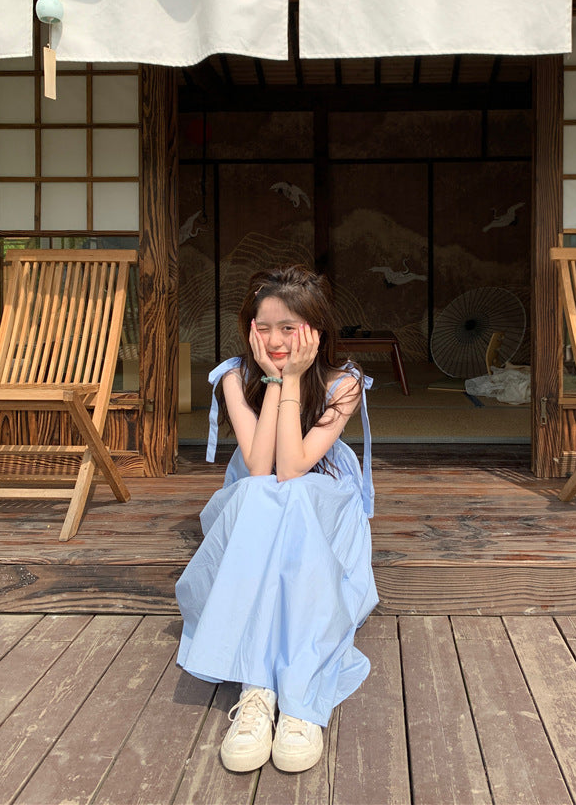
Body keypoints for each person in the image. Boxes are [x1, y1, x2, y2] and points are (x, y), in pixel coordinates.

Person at [176, 265, 378, 774]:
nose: (276, 338)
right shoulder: (232, 378)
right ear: (249, 328)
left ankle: (298, 695)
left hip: (322, 496)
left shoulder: (343, 383)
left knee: (293, 498)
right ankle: (261, 689)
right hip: (255, 505)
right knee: (267, 496)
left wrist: (291, 379)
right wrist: (272, 380)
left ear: (317, 330)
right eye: (264, 327)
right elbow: (262, 466)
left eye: (290, 328)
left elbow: (295, 468)